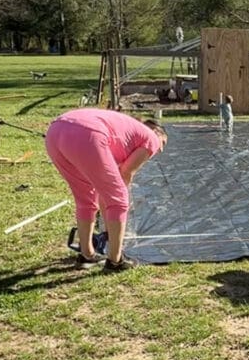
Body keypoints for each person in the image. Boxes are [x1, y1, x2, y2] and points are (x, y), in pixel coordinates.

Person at [45, 108, 168, 272]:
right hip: (87, 133)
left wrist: (110, 214)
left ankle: (86, 255)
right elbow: (125, 173)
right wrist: (118, 209)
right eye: (163, 143)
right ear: (156, 132)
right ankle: (115, 261)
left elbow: (105, 189)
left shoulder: (126, 132)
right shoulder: (151, 138)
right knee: (120, 199)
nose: (160, 150)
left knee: (85, 199)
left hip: (55, 131)